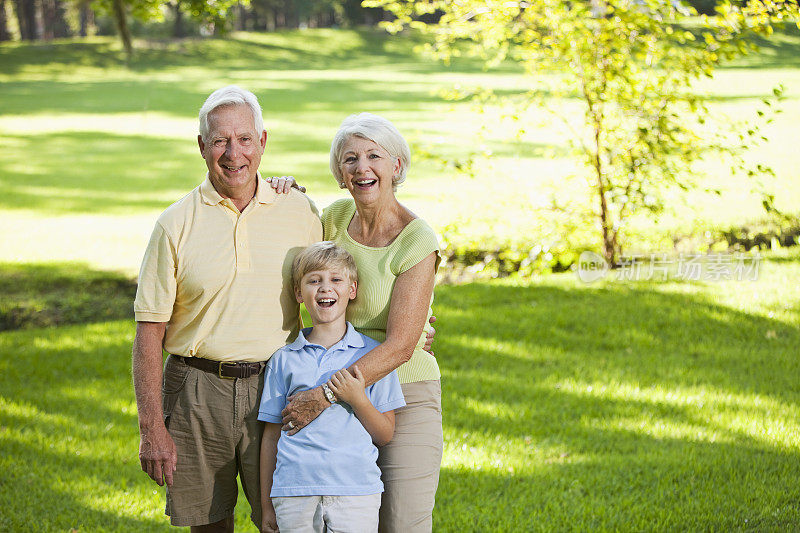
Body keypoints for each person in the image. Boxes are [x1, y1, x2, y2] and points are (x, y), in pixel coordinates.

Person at [131, 85, 322, 532]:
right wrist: (150, 428)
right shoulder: (175, 223)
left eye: (244, 139)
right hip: (196, 391)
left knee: (283, 520)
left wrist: (415, 320)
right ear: (202, 147)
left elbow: (341, 283)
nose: (233, 153)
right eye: (219, 140)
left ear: (263, 142)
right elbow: (148, 333)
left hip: (278, 385)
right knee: (209, 524)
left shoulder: (300, 210)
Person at [280, 113, 443, 532]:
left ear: (396, 167)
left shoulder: (416, 239)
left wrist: (324, 395)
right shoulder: (333, 220)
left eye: (374, 156)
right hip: (334, 378)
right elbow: (293, 250)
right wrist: (283, 192)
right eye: (349, 159)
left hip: (403, 389)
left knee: (401, 521)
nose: (362, 167)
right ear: (339, 174)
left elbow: (402, 345)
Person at [259, 241, 405, 533]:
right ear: (299, 293)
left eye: (336, 280)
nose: (325, 288)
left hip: (356, 491)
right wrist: (266, 506)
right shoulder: (284, 359)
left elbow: (385, 434)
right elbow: (271, 435)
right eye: (314, 281)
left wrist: (357, 399)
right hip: (294, 490)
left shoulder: (372, 356)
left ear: (352, 290)